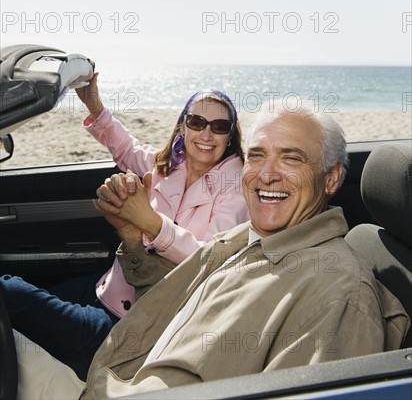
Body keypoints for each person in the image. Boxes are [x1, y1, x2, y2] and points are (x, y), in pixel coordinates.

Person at [12, 101, 410, 400]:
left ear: (332, 178)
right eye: (257, 155)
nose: (265, 174)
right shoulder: (245, 238)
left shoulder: (336, 292)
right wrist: (134, 239)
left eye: (291, 157)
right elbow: (172, 301)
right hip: (114, 374)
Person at [0, 76, 249, 381]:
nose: (206, 133)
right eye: (197, 121)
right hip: (106, 287)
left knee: (9, 292)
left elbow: (208, 259)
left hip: (131, 325)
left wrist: (151, 223)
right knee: (13, 313)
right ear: (183, 127)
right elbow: (125, 147)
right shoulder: (169, 166)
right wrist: (93, 103)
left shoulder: (235, 188)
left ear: (229, 137)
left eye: (219, 126)